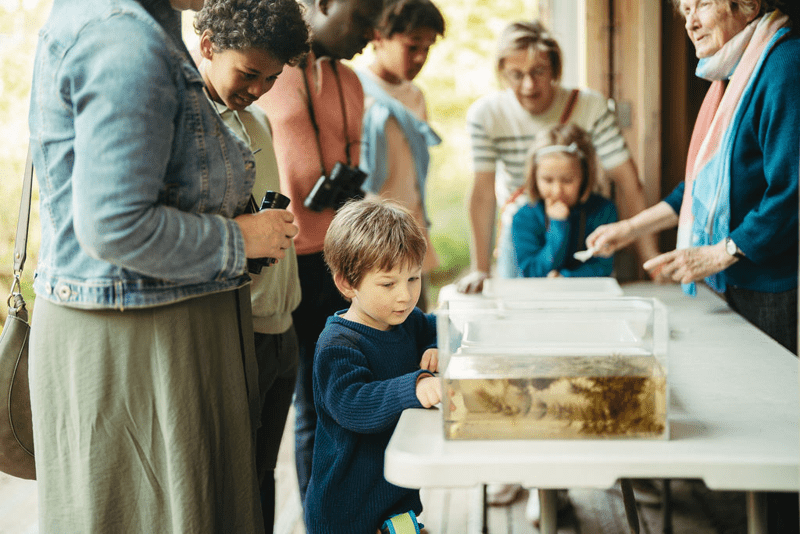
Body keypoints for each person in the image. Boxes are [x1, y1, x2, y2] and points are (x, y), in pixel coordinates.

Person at [27, 0, 299, 532]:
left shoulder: (136, 23)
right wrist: (237, 239)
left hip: (155, 335)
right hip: (140, 350)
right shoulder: (121, 39)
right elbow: (114, 225)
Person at [587, 1, 799, 531]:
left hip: (778, 284)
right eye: (683, 10)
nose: (690, 21)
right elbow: (702, 185)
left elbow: (791, 192)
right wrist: (630, 229)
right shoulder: (734, 75)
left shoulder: (784, 66)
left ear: (748, 4)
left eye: (702, 3)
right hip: (743, 280)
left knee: (778, 441)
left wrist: (720, 251)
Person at [254, 0, 385, 507]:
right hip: (286, 263)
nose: (372, 33)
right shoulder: (263, 72)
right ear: (322, 4)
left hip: (345, 261)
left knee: (338, 401)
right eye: (364, 17)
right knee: (297, 408)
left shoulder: (351, 82)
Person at [193, 0, 309, 529]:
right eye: (248, 73)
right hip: (237, 331)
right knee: (234, 488)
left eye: (273, 77)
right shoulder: (190, 124)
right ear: (209, 45)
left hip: (281, 322)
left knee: (264, 474)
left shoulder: (255, 117)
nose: (260, 88)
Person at [458, 19, 659, 294]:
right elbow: (482, 194)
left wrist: (652, 262)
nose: (529, 85)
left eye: (538, 72)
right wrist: (480, 269)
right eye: (516, 74)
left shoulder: (589, 106)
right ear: (502, 72)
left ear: (555, 68)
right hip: (526, 228)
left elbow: (628, 181)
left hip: (583, 224)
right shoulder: (486, 115)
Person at [304, 198, 441, 534]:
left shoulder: (407, 322)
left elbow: (440, 328)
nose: (405, 296)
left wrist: (435, 346)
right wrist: (416, 386)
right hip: (346, 515)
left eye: (413, 279)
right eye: (387, 284)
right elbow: (353, 404)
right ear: (347, 284)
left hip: (396, 506)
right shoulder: (337, 345)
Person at [356, 0, 445, 312]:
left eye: (428, 47)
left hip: (413, 232)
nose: (420, 57)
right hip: (372, 240)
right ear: (379, 37)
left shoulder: (415, 95)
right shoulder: (354, 89)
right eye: (412, 46)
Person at [512, 123, 617, 278]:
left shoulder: (604, 210)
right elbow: (531, 271)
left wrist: (566, 278)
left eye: (567, 180)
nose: (557, 191)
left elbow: (603, 266)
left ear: (585, 176)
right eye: (547, 180)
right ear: (534, 177)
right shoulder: (524, 217)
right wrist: (557, 225)